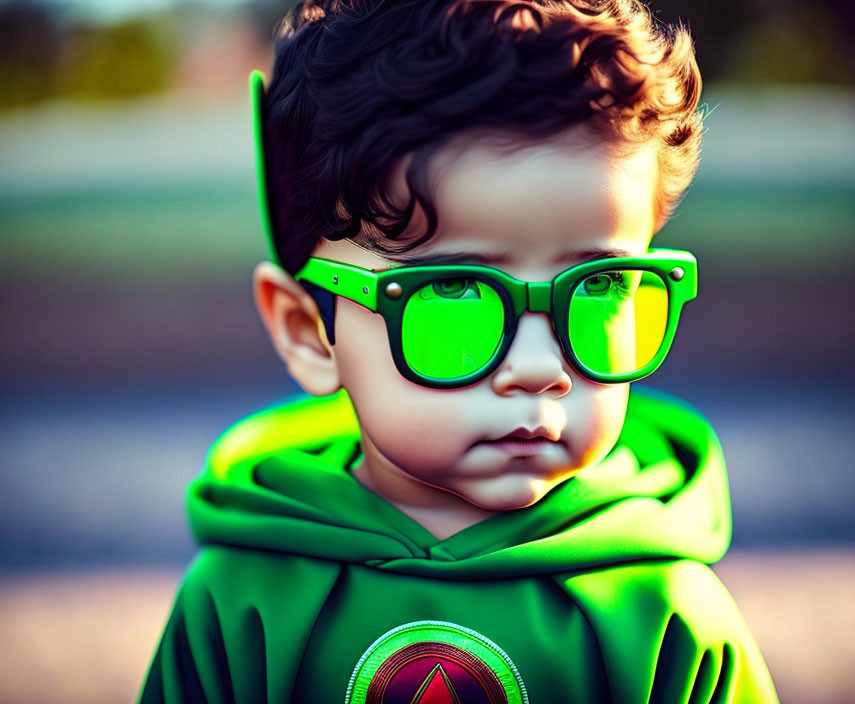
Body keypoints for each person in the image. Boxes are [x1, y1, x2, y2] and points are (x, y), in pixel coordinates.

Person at [140, 0, 779, 701]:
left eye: (600, 287)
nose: (541, 370)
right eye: (451, 293)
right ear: (308, 332)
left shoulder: (667, 615)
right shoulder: (240, 605)